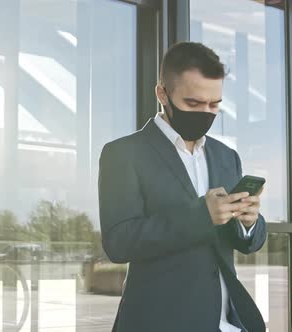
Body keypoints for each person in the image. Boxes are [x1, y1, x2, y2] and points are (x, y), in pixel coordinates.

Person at [98, 42, 267, 332]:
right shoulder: (123, 154)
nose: (206, 112)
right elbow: (119, 242)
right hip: (159, 321)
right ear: (162, 94)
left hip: (228, 323)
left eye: (214, 105)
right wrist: (202, 215)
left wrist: (249, 223)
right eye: (193, 103)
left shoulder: (227, 157)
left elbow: (245, 241)